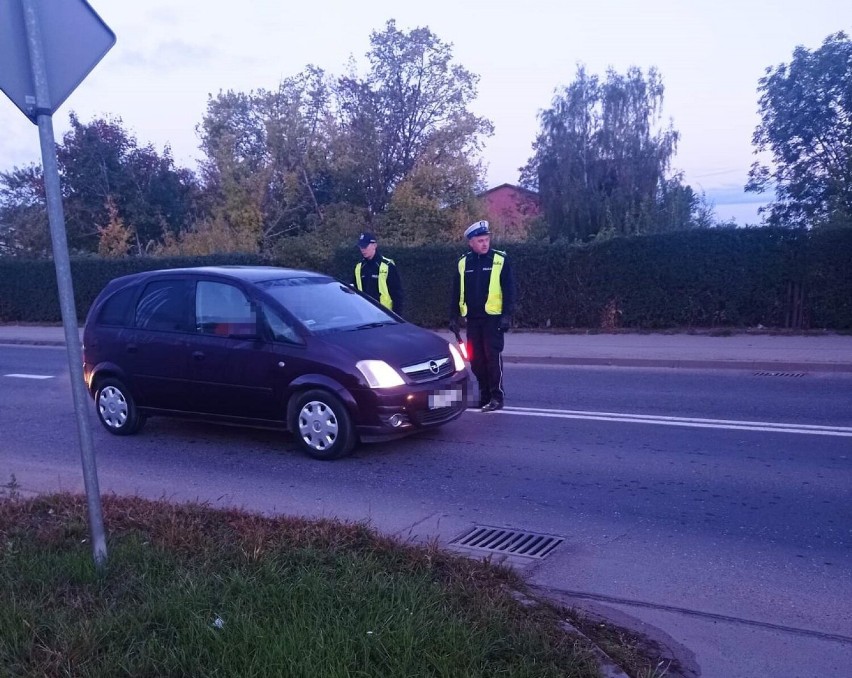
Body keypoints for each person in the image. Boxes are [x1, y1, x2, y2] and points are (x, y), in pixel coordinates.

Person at [449, 220, 514, 412]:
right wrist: (453, 317)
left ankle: (496, 396)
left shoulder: (500, 260)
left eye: (486, 240)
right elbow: (456, 291)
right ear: (471, 243)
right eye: (480, 240)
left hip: (493, 320)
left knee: (492, 358)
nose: (485, 244)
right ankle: (484, 395)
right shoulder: (463, 263)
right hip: (473, 320)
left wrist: (507, 316)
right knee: (476, 360)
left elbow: (509, 290)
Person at [352, 231, 404, 315]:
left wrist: (396, 317)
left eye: (365, 246)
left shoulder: (387, 266)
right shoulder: (359, 267)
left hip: (385, 316)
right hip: (365, 315)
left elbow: (397, 294)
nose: (362, 249)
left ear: (374, 246)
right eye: (361, 246)